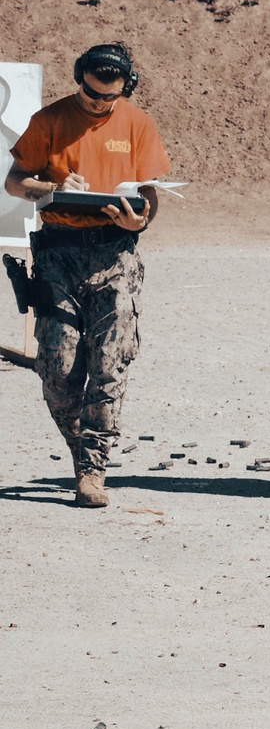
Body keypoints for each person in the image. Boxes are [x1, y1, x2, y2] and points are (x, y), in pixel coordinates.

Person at [4, 42, 170, 508]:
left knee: (109, 367)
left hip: (115, 256)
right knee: (57, 370)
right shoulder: (50, 120)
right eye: (90, 93)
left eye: (108, 97)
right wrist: (51, 186)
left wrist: (140, 221)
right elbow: (15, 180)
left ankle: (92, 470)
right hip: (58, 255)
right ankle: (81, 446)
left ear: (126, 88)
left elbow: (150, 196)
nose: (97, 103)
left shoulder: (137, 124)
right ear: (79, 78)